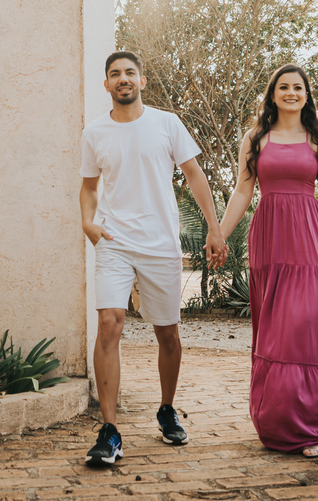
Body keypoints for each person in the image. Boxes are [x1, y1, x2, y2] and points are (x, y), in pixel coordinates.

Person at [80, 50, 227, 467]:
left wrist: (214, 228)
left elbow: (194, 174)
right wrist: (88, 223)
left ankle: (166, 409)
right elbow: (89, 187)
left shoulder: (167, 123)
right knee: (109, 323)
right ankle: (109, 430)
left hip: (160, 243)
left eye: (130, 72)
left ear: (142, 81)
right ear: (106, 84)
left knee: (168, 334)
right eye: (115, 74)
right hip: (114, 239)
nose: (123, 78)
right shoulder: (94, 132)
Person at [217, 63, 318, 457]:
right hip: (271, 242)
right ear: (273, 94)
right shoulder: (255, 139)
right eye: (284, 87)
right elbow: (242, 192)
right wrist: (219, 235)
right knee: (278, 332)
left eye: (298, 87)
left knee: (305, 327)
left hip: (312, 241)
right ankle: (281, 421)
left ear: (307, 95)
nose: (291, 93)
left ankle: (311, 426)